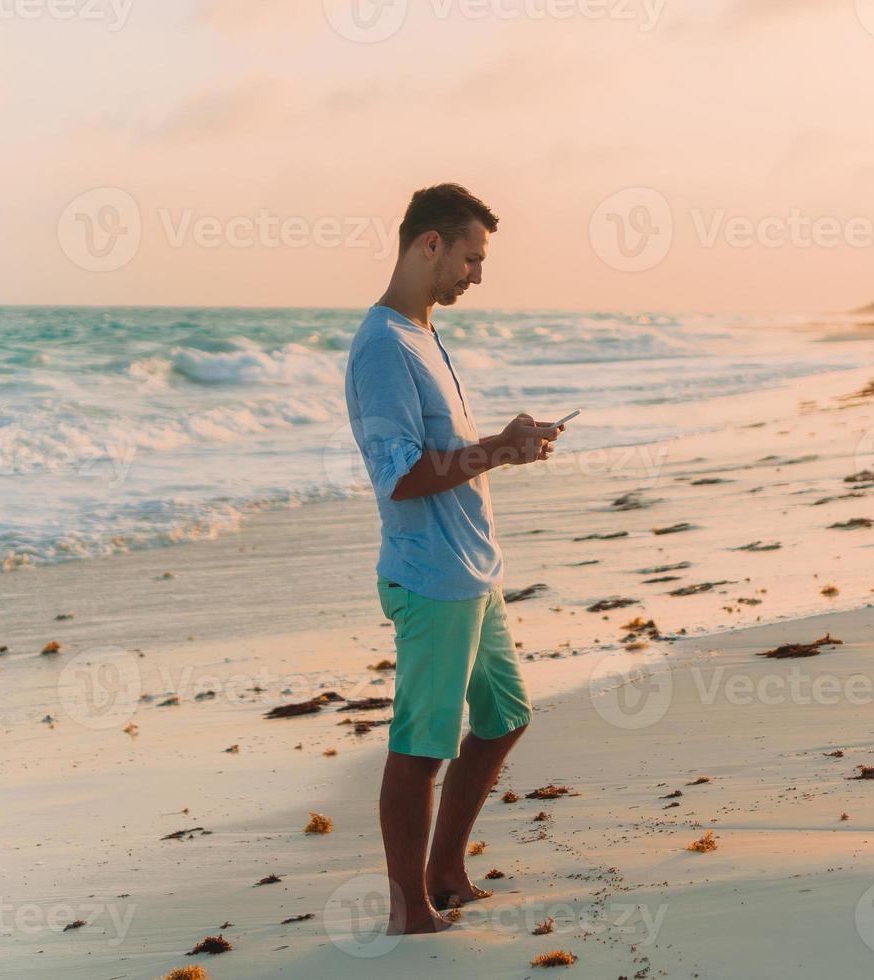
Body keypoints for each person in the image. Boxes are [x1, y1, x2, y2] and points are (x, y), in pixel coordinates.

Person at [344, 183, 564, 936]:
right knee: (421, 744)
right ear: (428, 244)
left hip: (475, 570)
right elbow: (401, 474)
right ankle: (410, 908)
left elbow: (447, 455)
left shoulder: (424, 333)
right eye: (470, 257)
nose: (477, 274)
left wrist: (509, 446)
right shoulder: (381, 347)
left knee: (504, 718)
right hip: (432, 578)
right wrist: (500, 447)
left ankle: (444, 871)